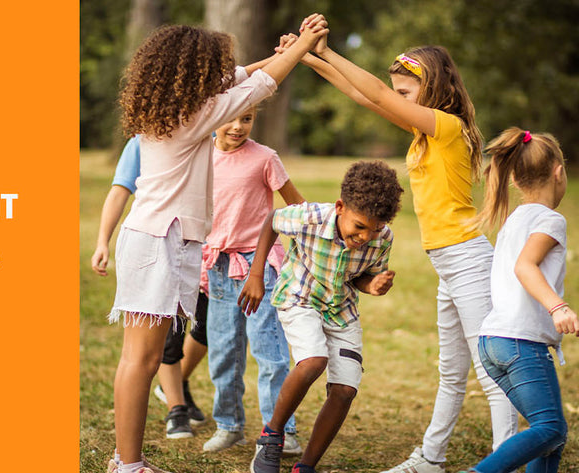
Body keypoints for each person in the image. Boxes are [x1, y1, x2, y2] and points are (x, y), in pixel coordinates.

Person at [106, 17, 328, 473]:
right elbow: (260, 84)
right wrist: (304, 43)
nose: (221, 77)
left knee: (140, 358)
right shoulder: (194, 116)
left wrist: (291, 52)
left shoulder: (174, 106)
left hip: (157, 238)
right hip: (158, 241)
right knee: (141, 359)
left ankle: (127, 460)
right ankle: (128, 464)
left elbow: (245, 75)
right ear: (194, 75)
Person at [297, 22, 518, 472]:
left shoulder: (447, 127)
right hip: (449, 262)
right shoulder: (425, 132)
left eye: (405, 92)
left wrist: (329, 52)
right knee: (451, 373)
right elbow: (365, 96)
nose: (396, 99)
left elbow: (376, 92)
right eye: (397, 91)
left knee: (491, 373)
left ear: (432, 87)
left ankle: (504, 461)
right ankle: (430, 459)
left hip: (468, 260)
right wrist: (308, 55)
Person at [241, 161, 403, 473]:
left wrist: (374, 285)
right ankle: (271, 436)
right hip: (299, 297)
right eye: (359, 226)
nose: (367, 236)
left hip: (341, 310)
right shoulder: (311, 217)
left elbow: (361, 278)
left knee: (345, 391)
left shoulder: (383, 238)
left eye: (376, 228)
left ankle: (306, 466)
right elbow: (273, 220)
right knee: (314, 360)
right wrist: (256, 274)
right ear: (340, 207)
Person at [464, 128, 574, 473]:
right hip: (520, 343)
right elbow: (525, 266)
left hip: (493, 342)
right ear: (559, 172)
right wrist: (558, 306)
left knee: (550, 437)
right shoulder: (550, 219)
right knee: (550, 428)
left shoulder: (515, 219)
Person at [201, 107, 306, 455]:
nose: (237, 126)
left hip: (258, 265)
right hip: (218, 265)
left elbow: (296, 207)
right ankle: (229, 425)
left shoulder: (264, 158)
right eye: (231, 117)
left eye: (247, 118)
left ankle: (282, 431)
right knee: (223, 351)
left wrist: (308, 254)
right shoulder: (199, 156)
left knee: (269, 352)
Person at [92, 135, 211, 440]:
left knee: (197, 333)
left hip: (198, 250)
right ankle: (174, 408)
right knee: (150, 351)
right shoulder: (140, 143)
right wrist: (102, 241)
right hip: (158, 246)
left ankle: (130, 455)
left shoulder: (208, 135)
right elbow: (120, 191)